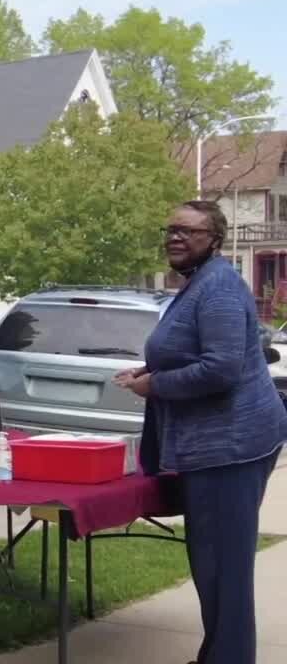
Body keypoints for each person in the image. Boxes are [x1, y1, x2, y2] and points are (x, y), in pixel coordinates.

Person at [114, 200, 287, 664]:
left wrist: (156, 385)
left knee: (223, 568)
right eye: (171, 229)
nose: (175, 237)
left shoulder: (219, 289)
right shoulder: (198, 285)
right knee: (212, 564)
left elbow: (222, 369)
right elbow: (195, 351)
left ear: (215, 239)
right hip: (214, 445)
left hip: (231, 446)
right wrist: (151, 369)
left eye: (188, 231)